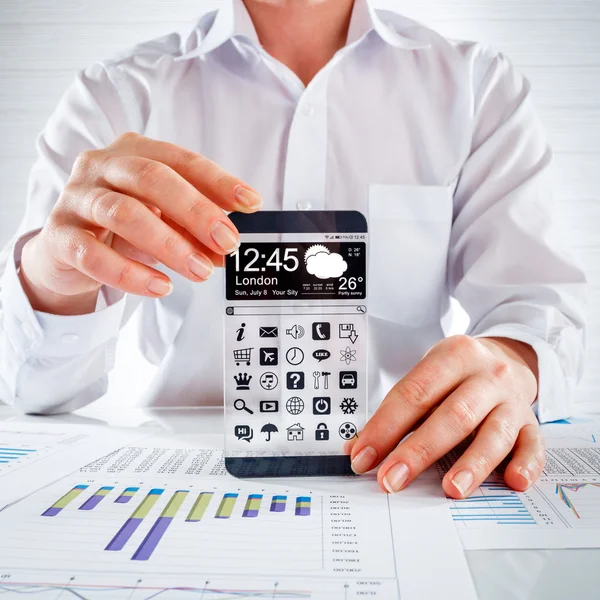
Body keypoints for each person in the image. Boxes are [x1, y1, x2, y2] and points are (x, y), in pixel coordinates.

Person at [0, 0, 586, 498]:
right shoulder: (115, 93)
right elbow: (37, 390)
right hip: (189, 476)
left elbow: (536, 307)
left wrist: (513, 361)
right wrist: (54, 279)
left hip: (405, 474)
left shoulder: (478, 86)